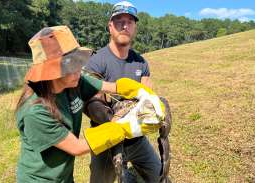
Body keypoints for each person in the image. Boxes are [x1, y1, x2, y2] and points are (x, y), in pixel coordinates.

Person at [15, 25, 164, 182]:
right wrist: (125, 127)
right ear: (51, 73)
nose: (79, 68)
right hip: (40, 179)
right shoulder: (36, 111)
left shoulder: (74, 81)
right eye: (71, 64)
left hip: (64, 176)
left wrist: (140, 91)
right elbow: (77, 147)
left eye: (79, 61)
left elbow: (112, 87)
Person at [85, 1, 162, 183]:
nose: (124, 25)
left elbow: (146, 97)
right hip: (106, 139)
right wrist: (113, 121)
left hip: (136, 138)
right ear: (110, 26)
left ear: (134, 27)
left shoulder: (141, 63)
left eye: (129, 21)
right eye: (119, 20)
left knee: (161, 177)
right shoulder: (97, 61)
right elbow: (91, 103)